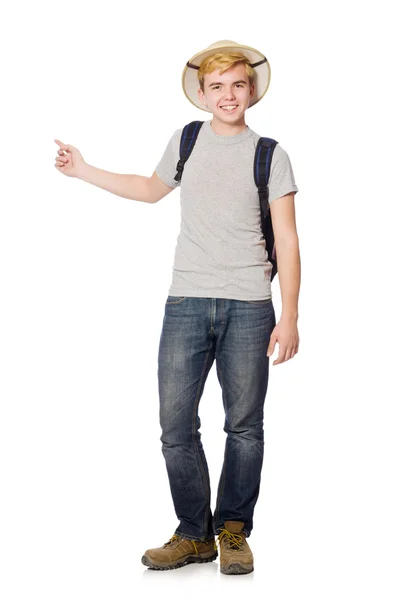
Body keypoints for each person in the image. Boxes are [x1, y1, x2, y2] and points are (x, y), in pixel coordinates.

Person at [54, 39, 300, 576]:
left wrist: (289, 316)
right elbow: (148, 188)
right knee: (174, 425)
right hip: (186, 301)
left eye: (238, 85)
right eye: (217, 86)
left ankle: (232, 530)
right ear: (202, 94)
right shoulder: (187, 140)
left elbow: (287, 239)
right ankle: (194, 534)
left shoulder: (270, 154)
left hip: (251, 306)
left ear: (251, 91)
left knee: (245, 426)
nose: (228, 95)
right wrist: (84, 170)